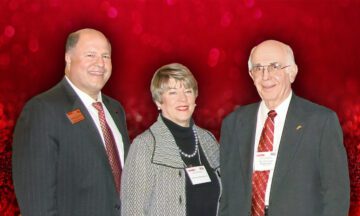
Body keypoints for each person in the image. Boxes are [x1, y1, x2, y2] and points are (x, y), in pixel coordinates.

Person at [219, 40, 350, 216]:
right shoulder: (233, 123)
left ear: (292, 73)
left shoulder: (321, 122)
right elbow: (227, 194)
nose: (265, 76)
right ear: (251, 75)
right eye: (258, 68)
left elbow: (337, 195)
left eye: (274, 66)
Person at [12, 28, 130, 216]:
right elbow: (37, 202)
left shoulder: (115, 110)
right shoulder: (42, 110)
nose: (100, 63)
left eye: (106, 56)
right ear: (68, 58)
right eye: (90, 54)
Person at [121, 63, 221, 216]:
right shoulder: (145, 146)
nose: (183, 99)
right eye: (173, 92)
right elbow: (132, 210)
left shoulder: (209, 140)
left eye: (188, 91)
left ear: (195, 97)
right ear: (158, 101)